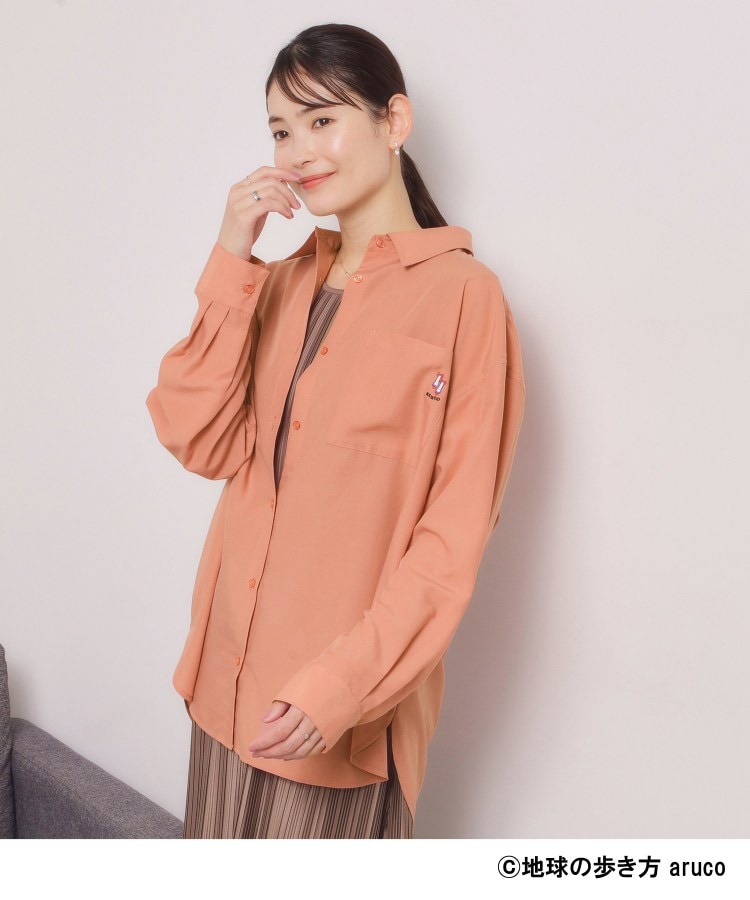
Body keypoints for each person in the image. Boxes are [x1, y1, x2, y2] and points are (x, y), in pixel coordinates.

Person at [146, 22, 526, 839]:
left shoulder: (465, 299)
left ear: (395, 122)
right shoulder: (280, 285)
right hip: (225, 691)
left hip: (334, 722)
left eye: (322, 120)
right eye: (281, 130)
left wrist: (342, 686)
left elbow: (452, 537)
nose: (298, 151)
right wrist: (231, 254)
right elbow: (195, 436)